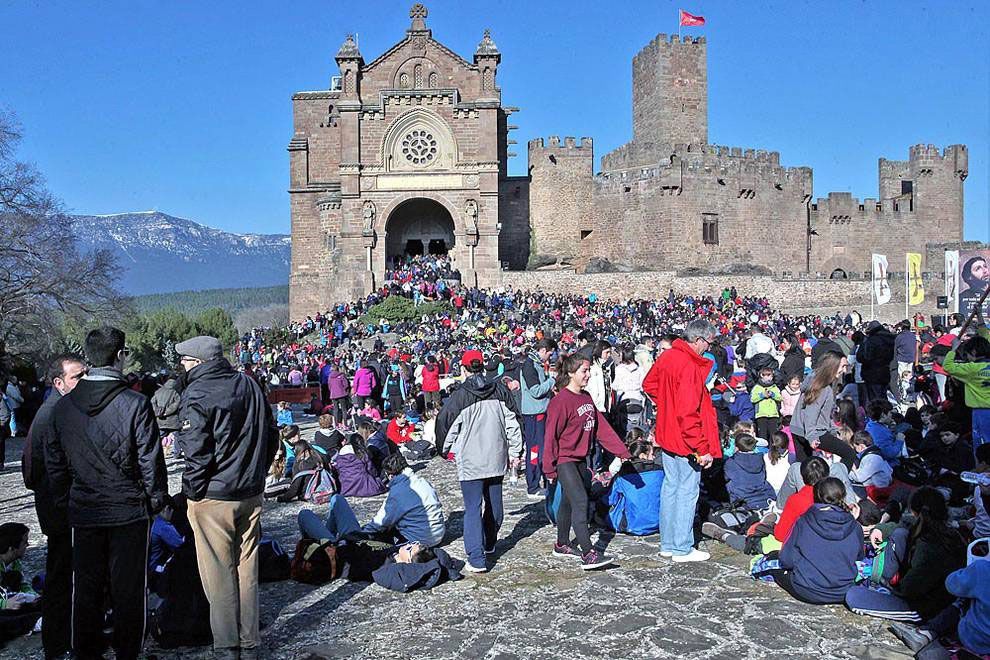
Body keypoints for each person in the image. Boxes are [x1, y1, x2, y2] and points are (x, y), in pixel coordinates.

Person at [46, 327, 168, 660]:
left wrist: (65, 500)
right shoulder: (136, 404)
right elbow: (150, 461)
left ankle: (86, 652)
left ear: (89, 358)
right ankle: (128, 652)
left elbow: (54, 463)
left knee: (86, 588)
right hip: (127, 510)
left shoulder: (63, 407)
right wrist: (156, 500)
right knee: (128, 590)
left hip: (85, 508)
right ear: (120, 356)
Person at [174, 335, 278, 660]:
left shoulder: (195, 393)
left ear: (199, 362)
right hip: (250, 491)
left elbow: (197, 454)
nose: (181, 364)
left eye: (186, 360)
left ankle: (226, 646)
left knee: (218, 573)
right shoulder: (249, 384)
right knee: (247, 568)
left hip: (213, 496)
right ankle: (249, 642)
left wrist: (191, 491)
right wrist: (258, 474)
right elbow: (271, 434)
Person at [22, 353, 86, 659]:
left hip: (58, 508)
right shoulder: (54, 414)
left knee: (63, 574)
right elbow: (33, 470)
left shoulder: (59, 409)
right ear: (59, 382)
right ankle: (62, 641)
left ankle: (62, 639)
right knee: (63, 578)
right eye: (76, 377)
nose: (83, 381)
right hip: (62, 511)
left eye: (85, 374)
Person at [436, 349, 523, 572]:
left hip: (471, 461)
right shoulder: (500, 391)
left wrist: (445, 450)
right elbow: (514, 423)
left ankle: (476, 558)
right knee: (495, 506)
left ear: (463, 369)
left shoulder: (459, 397)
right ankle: (490, 543)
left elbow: (445, 426)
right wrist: (515, 452)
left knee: (473, 508)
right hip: (496, 458)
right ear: (483, 366)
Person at [642, 319, 721, 563]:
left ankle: (668, 542)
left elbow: (649, 385)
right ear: (698, 340)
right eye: (708, 343)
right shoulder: (688, 366)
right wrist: (701, 447)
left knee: (671, 489)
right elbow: (689, 414)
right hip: (686, 439)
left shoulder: (667, 357)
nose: (709, 348)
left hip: (667, 433)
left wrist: (667, 402)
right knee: (686, 491)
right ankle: (681, 547)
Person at [543, 354, 631, 569]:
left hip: (582, 459)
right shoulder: (560, 401)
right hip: (564, 460)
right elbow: (550, 436)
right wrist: (549, 468)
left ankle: (562, 544)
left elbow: (601, 428)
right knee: (581, 502)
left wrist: (621, 451)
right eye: (584, 371)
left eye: (589, 370)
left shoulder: (586, 397)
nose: (588, 375)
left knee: (567, 502)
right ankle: (588, 553)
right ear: (571, 373)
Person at [845, 487, 967, 622]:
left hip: (922, 607)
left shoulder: (928, 545)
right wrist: (880, 529)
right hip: (927, 591)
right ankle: (879, 582)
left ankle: (879, 585)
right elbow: (901, 528)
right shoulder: (948, 533)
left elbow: (909, 589)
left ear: (915, 513)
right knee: (899, 534)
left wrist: (890, 587)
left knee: (853, 596)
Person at [300, 452, 445, 547]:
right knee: (336, 499)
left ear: (390, 475)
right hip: (436, 535)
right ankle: (330, 541)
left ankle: (331, 545)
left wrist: (360, 534)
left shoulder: (399, 492)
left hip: (413, 539)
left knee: (307, 513)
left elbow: (379, 523)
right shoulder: (423, 482)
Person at [771, 477, 863, 604]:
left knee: (774, 567)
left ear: (816, 496)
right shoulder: (854, 525)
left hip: (807, 589)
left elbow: (787, 560)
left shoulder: (804, 521)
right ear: (843, 496)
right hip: (842, 592)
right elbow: (859, 557)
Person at [942, 311, 990, 456]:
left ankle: (984, 471)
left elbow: (948, 366)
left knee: (982, 444)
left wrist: (954, 349)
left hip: (981, 412)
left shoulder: (972, 369)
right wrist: (980, 317)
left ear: (973, 352)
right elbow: (987, 337)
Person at [789, 351, 847, 461]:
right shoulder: (822, 387)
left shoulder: (813, 379)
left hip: (797, 427)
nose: (844, 370)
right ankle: (840, 476)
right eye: (843, 366)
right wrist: (811, 436)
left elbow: (820, 411)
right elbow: (811, 412)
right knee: (848, 454)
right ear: (832, 366)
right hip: (813, 431)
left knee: (805, 465)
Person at [518, 338, 557, 498]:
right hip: (534, 413)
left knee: (541, 448)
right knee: (534, 449)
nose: (549, 357)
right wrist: (552, 381)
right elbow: (535, 391)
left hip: (540, 411)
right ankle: (533, 485)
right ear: (543, 350)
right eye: (549, 354)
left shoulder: (537, 364)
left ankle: (540, 480)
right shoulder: (530, 365)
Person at [724, 433, 777, 511]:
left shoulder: (731, 462)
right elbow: (763, 475)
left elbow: (726, 478)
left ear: (736, 447)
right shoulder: (760, 459)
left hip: (740, 497)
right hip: (763, 494)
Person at [750, 367, 782, 441]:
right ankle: (763, 450)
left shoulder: (774, 387)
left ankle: (774, 450)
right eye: (767, 375)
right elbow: (752, 399)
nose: (769, 378)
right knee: (762, 435)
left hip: (773, 414)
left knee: (773, 435)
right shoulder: (757, 387)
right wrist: (762, 395)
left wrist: (773, 395)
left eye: (770, 376)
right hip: (761, 414)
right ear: (761, 375)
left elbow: (780, 398)